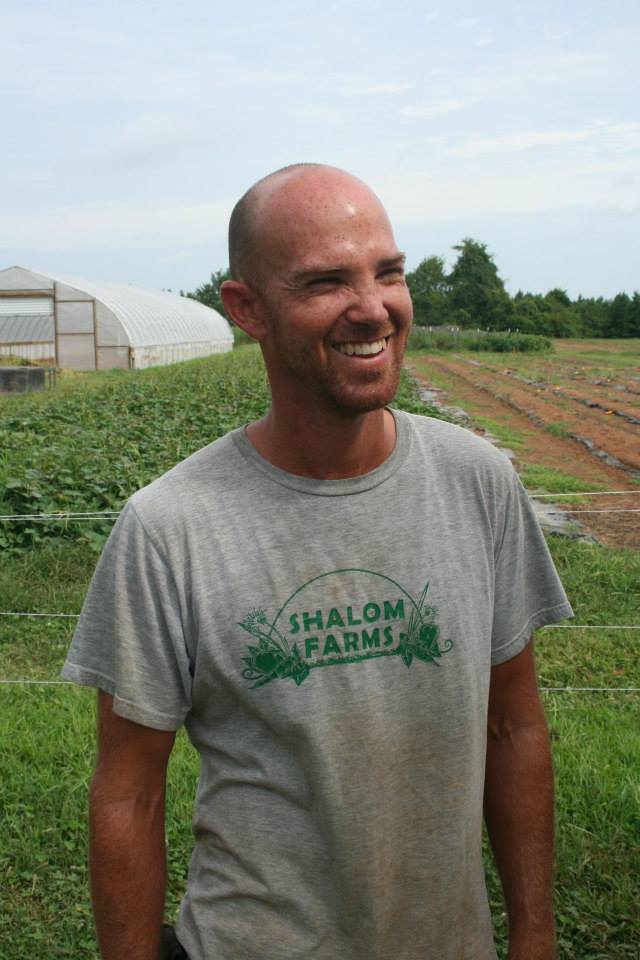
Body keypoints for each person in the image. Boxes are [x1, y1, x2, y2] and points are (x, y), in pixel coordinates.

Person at [63, 163, 573, 960]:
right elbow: (129, 790)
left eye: (389, 273)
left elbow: (512, 724)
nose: (373, 308)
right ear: (248, 310)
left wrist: (535, 938)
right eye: (326, 281)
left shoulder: (479, 481)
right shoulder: (169, 527)